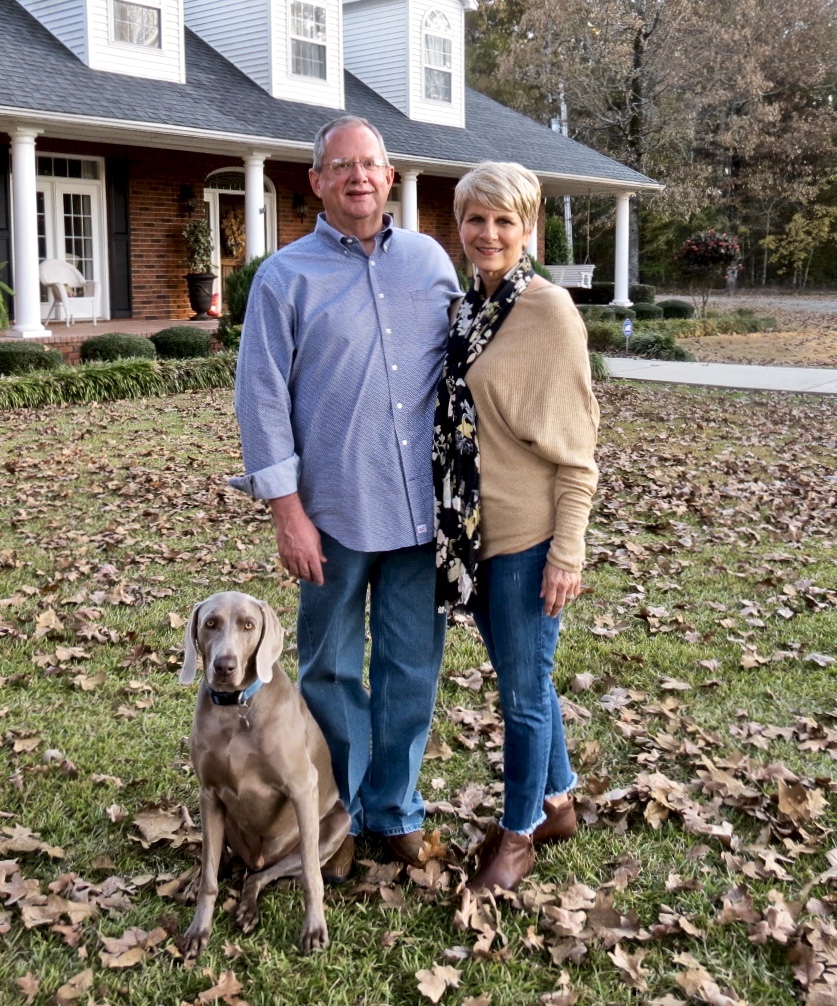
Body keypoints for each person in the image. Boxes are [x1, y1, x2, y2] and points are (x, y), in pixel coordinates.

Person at [230, 116, 462, 881]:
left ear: (389, 176)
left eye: (370, 165)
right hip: (330, 513)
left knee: (410, 667)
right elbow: (260, 399)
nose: (358, 177)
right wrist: (285, 511)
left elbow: (469, 368)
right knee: (330, 669)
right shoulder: (283, 277)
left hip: (421, 514)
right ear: (317, 182)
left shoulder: (430, 262)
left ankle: (393, 812)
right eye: (341, 167)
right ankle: (336, 815)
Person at [433, 161, 600, 894]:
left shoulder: (547, 311)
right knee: (520, 677)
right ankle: (557, 800)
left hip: (530, 536)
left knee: (522, 694)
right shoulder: (470, 307)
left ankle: (519, 833)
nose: (489, 233)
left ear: (527, 228)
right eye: (476, 219)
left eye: (505, 221)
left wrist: (566, 551)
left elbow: (578, 453)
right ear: (460, 226)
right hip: (477, 531)